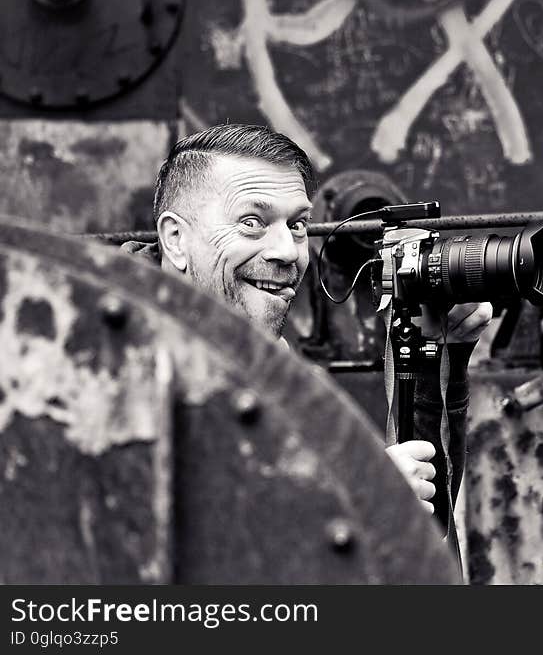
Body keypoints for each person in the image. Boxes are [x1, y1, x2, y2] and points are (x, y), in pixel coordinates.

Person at [121, 123, 491, 555]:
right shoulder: (106, 359)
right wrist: (344, 501)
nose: (288, 252)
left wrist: (437, 364)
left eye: (297, 225)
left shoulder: (263, 356)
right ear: (176, 240)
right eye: (252, 222)